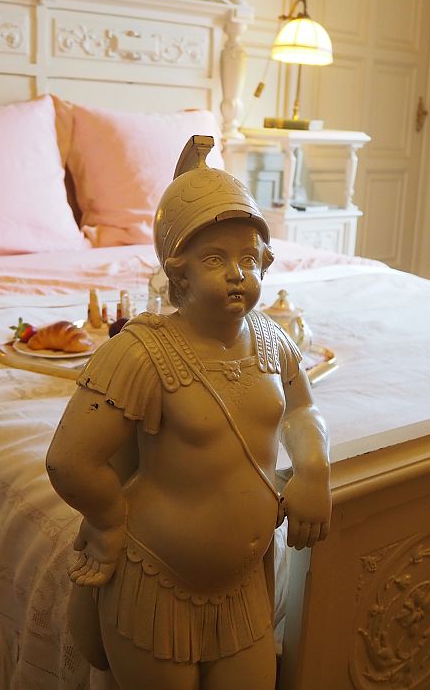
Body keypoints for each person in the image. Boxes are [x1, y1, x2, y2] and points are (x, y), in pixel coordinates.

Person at [46, 136, 332, 690]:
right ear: (177, 273)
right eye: (215, 258)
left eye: (250, 258)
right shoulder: (139, 353)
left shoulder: (273, 342)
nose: (237, 273)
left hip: (243, 584)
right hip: (156, 584)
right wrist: (106, 523)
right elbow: (69, 460)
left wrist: (315, 468)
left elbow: (303, 411)